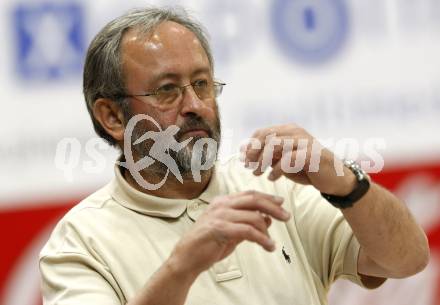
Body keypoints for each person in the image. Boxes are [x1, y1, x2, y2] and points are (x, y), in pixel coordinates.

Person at [39, 7, 429, 305]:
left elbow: (406, 260)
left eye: (202, 84)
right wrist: (184, 265)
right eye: (167, 90)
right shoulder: (78, 244)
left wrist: (346, 182)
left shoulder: (275, 187)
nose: (195, 105)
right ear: (111, 116)